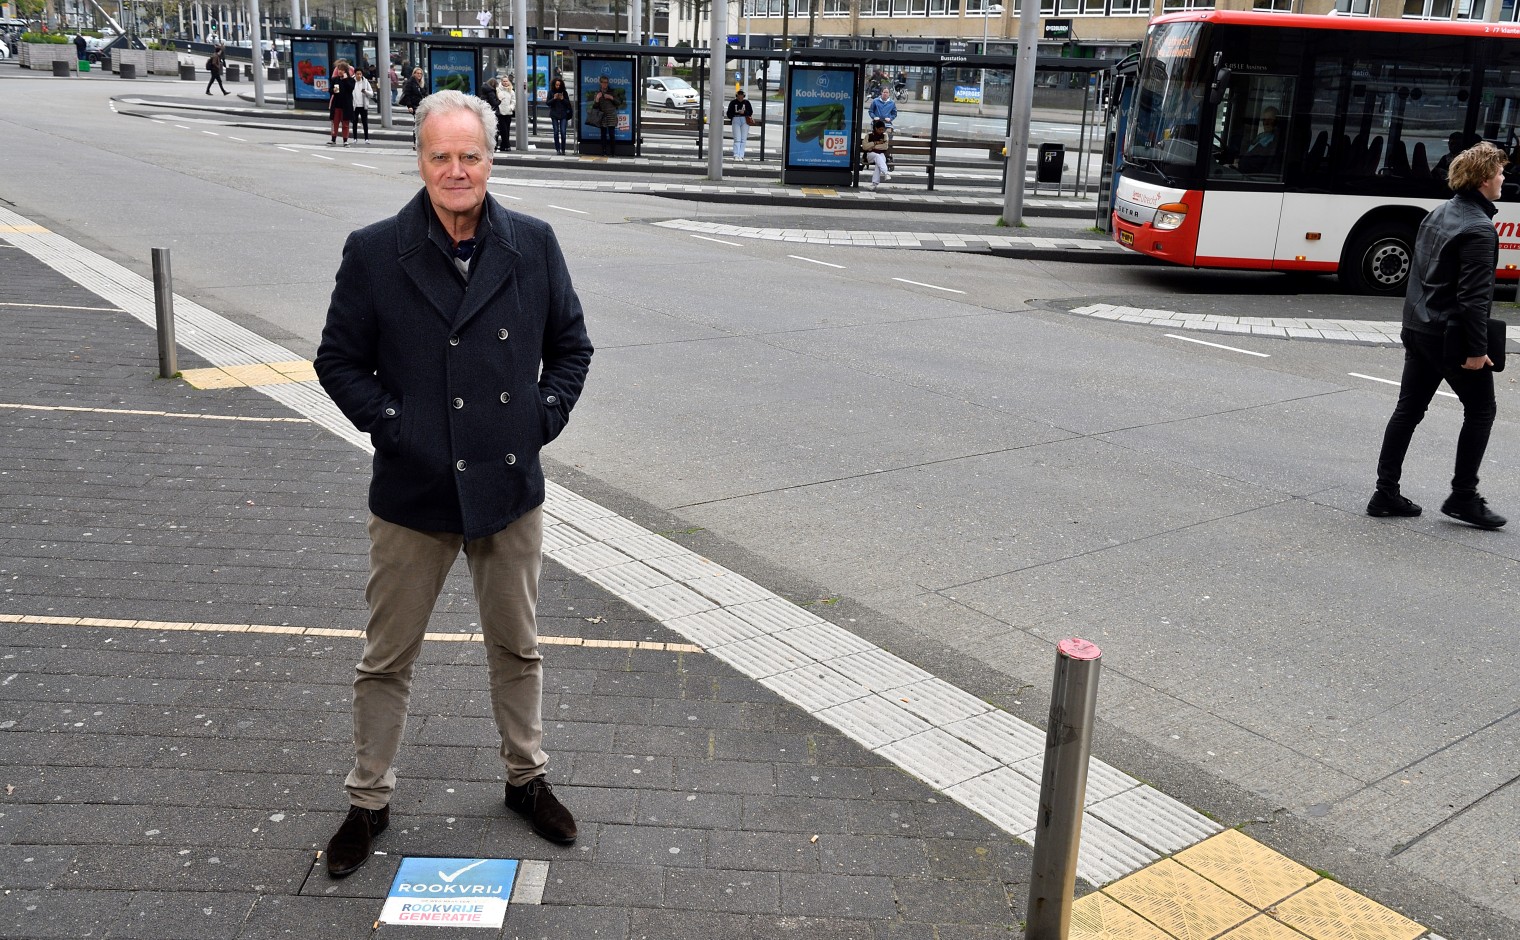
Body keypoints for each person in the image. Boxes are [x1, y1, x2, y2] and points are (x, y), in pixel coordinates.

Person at [314, 89, 594, 879]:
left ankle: (526, 780)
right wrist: (395, 427)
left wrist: (537, 419)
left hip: (507, 487)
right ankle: (368, 800)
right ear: (420, 161)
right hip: (413, 493)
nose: (456, 169)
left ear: (491, 158)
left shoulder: (532, 244)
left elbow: (571, 348)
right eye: (440, 156)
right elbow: (337, 361)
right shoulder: (375, 250)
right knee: (386, 657)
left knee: (518, 646)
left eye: (470, 154)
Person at [1368, 140, 1507, 530]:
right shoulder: (1479, 230)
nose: (1503, 177)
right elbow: (1473, 300)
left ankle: (1385, 492)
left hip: (1418, 328)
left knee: (1408, 410)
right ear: (1482, 178)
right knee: (1481, 410)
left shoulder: (1438, 213)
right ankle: (1463, 496)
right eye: (1498, 171)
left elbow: (1419, 275)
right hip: (1450, 336)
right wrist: (1477, 351)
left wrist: (1411, 326)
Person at [327, 59, 356, 147]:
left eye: (342, 70)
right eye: (339, 69)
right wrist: (332, 90)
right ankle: (333, 139)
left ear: (346, 71)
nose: (340, 71)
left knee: (345, 123)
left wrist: (345, 79)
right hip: (336, 104)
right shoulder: (335, 79)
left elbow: (351, 88)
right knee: (335, 123)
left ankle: (345, 140)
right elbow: (330, 90)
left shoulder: (350, 80)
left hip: (346, 105)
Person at [591, 75, 619, 158]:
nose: (605, 84)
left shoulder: (612, 92)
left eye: (606, 82)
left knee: (612, 134)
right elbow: (594, 107)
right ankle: (603, 151)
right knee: (603, 134)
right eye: (603, 82)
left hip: (611, 115)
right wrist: (597, 99)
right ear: (600, 83)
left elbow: (618, 102)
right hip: (602, 116)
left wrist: (611, 98)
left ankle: (613, 152)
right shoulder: (598, 93)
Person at [861, 118, 891, 191]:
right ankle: (886, 173)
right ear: (875, 128)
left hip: (881, 154)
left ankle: (874, 184)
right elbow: (865, 147)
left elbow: (885, 146)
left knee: (879, 162)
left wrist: (872, 146)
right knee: (877, 157)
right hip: (870, 155)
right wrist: (875, 143)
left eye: (883, 129)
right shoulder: (869, 136)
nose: (881, 131)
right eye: (880, 129)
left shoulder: (885, 135)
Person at [547, 76, 573, 155]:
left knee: (563, 132)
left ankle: (563, 149)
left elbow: (568, 103)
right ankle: (558, 149)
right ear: (554, 85)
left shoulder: (564, 92)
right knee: (555, 131)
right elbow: (548, 103)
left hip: (563, 114)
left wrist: (562, 99)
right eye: (556, 85)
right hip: (554, 114)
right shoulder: (551, 92)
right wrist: (554, 98)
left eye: (559, 85)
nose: (558, 86)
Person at [725, 89, 754, 160]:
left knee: (743, 138)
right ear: (737, 96)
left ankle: (741, 155)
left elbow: (750, 112)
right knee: (737, 138)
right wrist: (735, 114)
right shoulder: (733, 103)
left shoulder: (747, 103)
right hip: (736, 118)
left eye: (742, 95)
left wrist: (744, 112)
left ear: (743, 96)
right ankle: (736, 154)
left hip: (744, 119)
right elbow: (729, 113)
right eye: (739, 95)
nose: (740, 97)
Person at [352, 67, 375, 143]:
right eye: (357, 74)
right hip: (355, 105)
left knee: (364, 122)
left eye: (360, 74)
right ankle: (355, 138)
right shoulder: (352, 81)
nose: (359, 75)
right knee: (354, 122)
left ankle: (366, 139)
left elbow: (371, 94)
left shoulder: (365, 82)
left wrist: (365, 92)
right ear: (355, 74)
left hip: (363, 105)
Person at [496, 76, 516, 152]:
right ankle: (507, 145)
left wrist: (511, 107)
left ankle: (503, 146)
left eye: (506, 81)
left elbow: (513, 101)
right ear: (501, 81)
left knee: (507, 130)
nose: (505, 82)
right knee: (503, 130)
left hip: (508, 112)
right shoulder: (498, 90)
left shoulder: (511, 91)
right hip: (500, 113)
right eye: (503, 81)